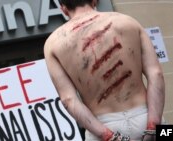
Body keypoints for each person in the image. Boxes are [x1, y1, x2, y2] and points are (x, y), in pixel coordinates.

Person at [44, 0, 165, 140]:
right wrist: (153, 126)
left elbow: (68, 100)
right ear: (94, 0)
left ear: (63, 9)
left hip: (102, 128)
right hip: (146, 116)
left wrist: (108, 136)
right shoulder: (128, 22)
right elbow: (156, 74)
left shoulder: (52, 44)